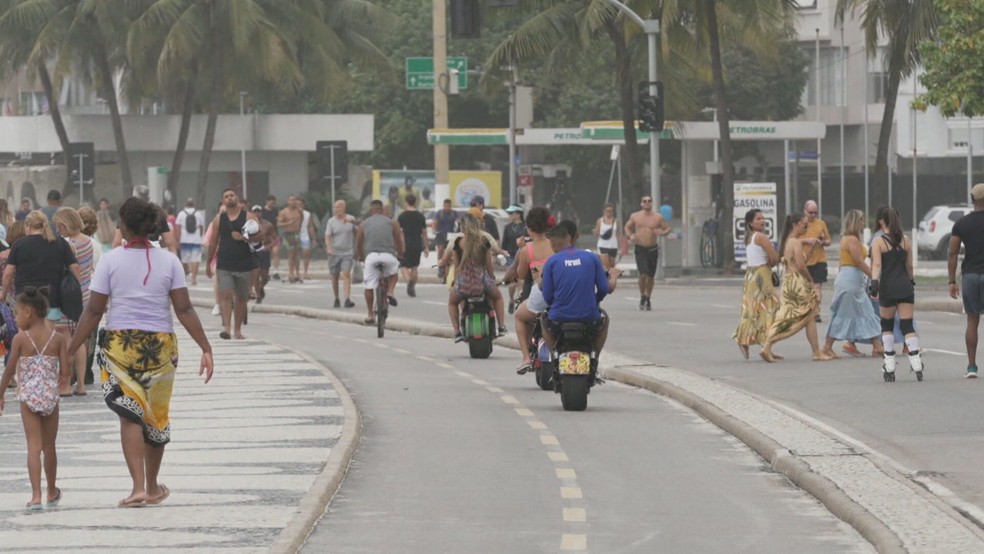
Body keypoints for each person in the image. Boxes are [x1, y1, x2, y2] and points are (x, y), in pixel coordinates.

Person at [67, 196, 213, 507]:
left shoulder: (110, 260)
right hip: (160, 347)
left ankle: (137, 487)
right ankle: (151, 486)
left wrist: (72, 346)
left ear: (126, 225)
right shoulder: (170, 261)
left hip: (121, 345)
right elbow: (184, 308)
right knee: (155, 417)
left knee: (129, 415)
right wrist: (205, 347)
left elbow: (93, 311)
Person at [0, 286, 70, 511]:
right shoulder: (57, 338)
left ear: (28, 311)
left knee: (33, 446)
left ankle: (36, 496)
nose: (17, 318)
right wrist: (59, 378)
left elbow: (9, 370)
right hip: (50, 396)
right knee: (50, 446)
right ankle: (51, 490)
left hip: (28, 396)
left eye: (18, 313)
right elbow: (66, 372)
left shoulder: (21, 339)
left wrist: (0, 394)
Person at [760, 213, 833, 362]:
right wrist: (810, 280)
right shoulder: (796, 242)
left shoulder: (789, 241)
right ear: (795, 225)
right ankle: (767, 345)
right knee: (791, 317)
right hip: (797, 283)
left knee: (809, 316)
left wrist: (812, 250)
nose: (806, 227)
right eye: (804, 224)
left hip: (789, 282)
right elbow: (800, 266)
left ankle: (816, 351)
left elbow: (797, 261)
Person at [540, 221, 610, 365]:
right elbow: (604, 289)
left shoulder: (551, 262)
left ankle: (554, 355)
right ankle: (594, 357)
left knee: (543, 319)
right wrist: (594, 301)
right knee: (605, 320)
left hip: (559, 316)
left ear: (552, 244)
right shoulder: (592, 258)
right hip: (589, 315)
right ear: (570, 238)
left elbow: (547, 296)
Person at [820, 209, 882, 359]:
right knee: (847, 314)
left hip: (851, 280)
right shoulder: (851, 240)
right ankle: (827, 347)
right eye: (861, 220)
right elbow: (858, 261)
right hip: (850, 280)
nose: (864, 223)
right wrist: (873, 277)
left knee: (865, 311)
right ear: (855, 222)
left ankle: (877, 346)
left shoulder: (848, 239)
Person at [0, 211, 82, 322]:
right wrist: (75, 288)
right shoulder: (59, 242)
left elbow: (8, 273)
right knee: (48, 336)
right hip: (52, 299)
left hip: (25, 298)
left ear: (28, 226)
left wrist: (4, 293)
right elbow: (75, 267)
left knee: (26, 336)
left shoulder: (19, 244)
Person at [870, 207, 922, 380]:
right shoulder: (906, 240)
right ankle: (916, 362)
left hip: (888, 288)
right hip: (905, 287)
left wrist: (874, 285)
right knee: (907, 325)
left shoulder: (878, 242)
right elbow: (909, 266)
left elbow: (877, 265)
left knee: (887, 326)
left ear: (882, 222)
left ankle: (890, 365)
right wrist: (911, 280)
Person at [438, 213, 506, 341]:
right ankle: (501, 327)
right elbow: (488, 265)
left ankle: (457, 331)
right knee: (498, 297)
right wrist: (492, 279)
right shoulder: (484, 241)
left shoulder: (458, 242)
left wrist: (456, 282)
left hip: (464, 283)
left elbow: (457, 268)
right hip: (482, 282)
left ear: (462, 227)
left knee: (452, 303)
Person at [52, 208, 96, 396]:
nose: (58, 230)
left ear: (66, 224)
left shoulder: (69, 245)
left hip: (68, 296)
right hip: (85, 294)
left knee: (66, 340)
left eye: (59, 226)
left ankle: (66, 382)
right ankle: (82, 384)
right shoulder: (89, 242)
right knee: (80, 342)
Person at [205, 189, 257, 340]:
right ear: (223, 201)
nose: (229, 198)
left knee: (241, 298)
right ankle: (226, 329)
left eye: (231, 195)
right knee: (226, 294)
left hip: (243, 263)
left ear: (237, 198)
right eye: (226, 197)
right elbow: (213, 242)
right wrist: (208, 263)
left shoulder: (248, 217)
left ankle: (237, 329)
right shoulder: (219, 220)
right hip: (224, 263)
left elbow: (260, 236)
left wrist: (243, 238)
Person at [511, 207, 555, 373]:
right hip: (561, 295)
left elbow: (521, 274)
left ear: (529, 228)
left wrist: (521, 249)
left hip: (541, 295)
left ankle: (526, 357)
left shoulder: (527, 250)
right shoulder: (555, 244)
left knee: (520, 316)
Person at [733, 209, 780, 360]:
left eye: (763, 218)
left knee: (752, 311)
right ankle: (765, 347)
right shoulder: (761, 237)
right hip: (762, 275)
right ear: (751, 223)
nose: (762, 221)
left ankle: (749, 341)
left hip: (751, 275)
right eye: (758, 219)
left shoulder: (749, 237)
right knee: (771, 310)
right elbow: (774, 257)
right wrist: (773, 260)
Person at [949, 183, 984, 378]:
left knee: (972, 321)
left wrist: (951, 281)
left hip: (970, 275)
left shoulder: (961, 223)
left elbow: (953, 252)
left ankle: (971, 366)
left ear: (972, 199)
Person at [355, 199, 404, 325]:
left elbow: (359, 244)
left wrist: (361, 257)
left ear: (371, 211)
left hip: (371, 257)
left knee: (369, 287)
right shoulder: (392, 222)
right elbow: (398, 240)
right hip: (388, 256)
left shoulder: (363, 224)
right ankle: (390, 292)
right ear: (382, 210)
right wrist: (400, 253)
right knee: (393, 274)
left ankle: (370, 314)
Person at [624, 195, 671, 311]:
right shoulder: (635, 216)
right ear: (641, 203)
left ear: (652, 203)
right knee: (642, 274)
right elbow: (627, 227)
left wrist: (662, 233)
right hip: (640, 248)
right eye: (644, 201)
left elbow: (667, 228)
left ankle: (648, 297)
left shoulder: (658, 217)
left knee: (650, 276)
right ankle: (642, 296)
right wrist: (631, 235)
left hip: (652, 249)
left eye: (649, 201)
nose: (647, 203)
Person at [802, 200, 831, 323]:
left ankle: (816, 312)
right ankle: (808, 310)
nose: (813, 215)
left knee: (818, 286)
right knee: (807, 287)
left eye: (815, 213)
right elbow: (793, 240)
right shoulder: (801, 223)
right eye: (811, 213)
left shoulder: (821, 223)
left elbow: (828, 240)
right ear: (805, 211)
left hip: (820, 258)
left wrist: (823, 242)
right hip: (805, 259)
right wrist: (807, 240)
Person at [325, 200, 357, 309]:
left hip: (347, 252)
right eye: (335, 207)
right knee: (335, 276)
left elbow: (358, 232)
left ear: (344, 208)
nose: (337, 210)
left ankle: (347, 298)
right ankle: (336, 298)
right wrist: (329, 247)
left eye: (339, 207)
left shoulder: (351, 219)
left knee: (346, 274)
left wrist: (358, 248)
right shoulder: (331, 221)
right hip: (334, 252)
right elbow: (328, 236)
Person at [397, 194, 428, 297]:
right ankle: (412, 287)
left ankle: (409, 281)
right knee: (415, 266)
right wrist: (426, 247)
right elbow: (424, 232)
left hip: (406, 243)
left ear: (406, 202)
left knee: (403, 265)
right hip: (417, 244)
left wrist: (400, 245)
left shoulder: (402, 216)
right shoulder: (420, 216)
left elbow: (399, 232)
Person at [502, 204, 527, 312]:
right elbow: (504, 245)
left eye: (512, 213)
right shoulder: (507, 228)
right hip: (511, 257)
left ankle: (520, 302)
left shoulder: (526, 227)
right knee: (512, 284)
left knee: (521, 281)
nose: (510, 215)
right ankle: (512, 300)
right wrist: (503, 255)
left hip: (524, 256)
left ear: (518, 214)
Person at [249, 205, 276, 304]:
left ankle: (260, 287)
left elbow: (274, 238)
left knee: (265, 275)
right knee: (255, 274)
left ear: (262, 213)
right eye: (255, 211)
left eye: (259, 211)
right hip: (254, 252)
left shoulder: (268, 225)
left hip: (264, 251)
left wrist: (269, 246)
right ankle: (258, 295)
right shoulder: (247, 225)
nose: (257, 213)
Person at [175, 198, 204, 285]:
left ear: (185, 204)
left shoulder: (181, 214)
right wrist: (200, 236)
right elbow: (201, 227)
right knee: (195, 259)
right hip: (196, 240)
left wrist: (178, 240)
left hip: (184, 239)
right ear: (194, 204)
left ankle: (186, 274)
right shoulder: (198, 214)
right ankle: (194, 279)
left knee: (185, 260)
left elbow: (177, 228)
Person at [277, 194, 303, 283]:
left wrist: (299, 229)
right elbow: (279, 224)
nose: (293, 202)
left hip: (296, 233)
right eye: (291, 200)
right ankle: (290, 273)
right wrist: (288, 223)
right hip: (288, 234)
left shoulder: (299, 211)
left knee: (297, 254)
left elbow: (301, 219)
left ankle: (298, 273)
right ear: (288, 201)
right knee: (291, 254)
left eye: (295, 200)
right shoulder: (284, 212)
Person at [433, 199, 459, 280]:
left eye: (449, 206)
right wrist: (434, 230)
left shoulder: (454, 213)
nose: (447, 208)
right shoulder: (439, 213)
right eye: (446, 206)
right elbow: (435, 222)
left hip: (451, 235)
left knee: (452, 251)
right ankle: (440, 266)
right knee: (440, 249)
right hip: (441, 234)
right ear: (443, 206)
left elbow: (458, 221)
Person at [594, 203, 624, 271]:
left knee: (612, 266)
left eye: (610, 211)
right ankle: (606, 280)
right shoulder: (600, 221)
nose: (609, 213)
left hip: (613, 245)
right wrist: (595, 232)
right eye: (607, 211)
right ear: (604, 211)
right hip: (603, 245)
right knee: (606, 265)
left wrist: (621, 246)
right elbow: (597, 232)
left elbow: (618, 234)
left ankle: (610, 280)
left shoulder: (616, 221)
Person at [261, 195, 282, 280]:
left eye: (274, 203)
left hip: (274, 235)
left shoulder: (276, 211)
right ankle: (265, 271)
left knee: (276, 252)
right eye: (271, 203)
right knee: (264, 255)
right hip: (264, 235)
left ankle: (276, 271)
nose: (273, 204)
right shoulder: (261, 211)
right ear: (267, 201)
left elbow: (278, 221)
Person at [299, 198, 317, 281]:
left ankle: (305, 272)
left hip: (304, 236)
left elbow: (310, 226)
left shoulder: (307, 214)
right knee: (294, 254)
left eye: (300, 204)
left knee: (306, 253)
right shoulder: (292, 213)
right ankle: (295, 272)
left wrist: (314, 238)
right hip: (295, 236)